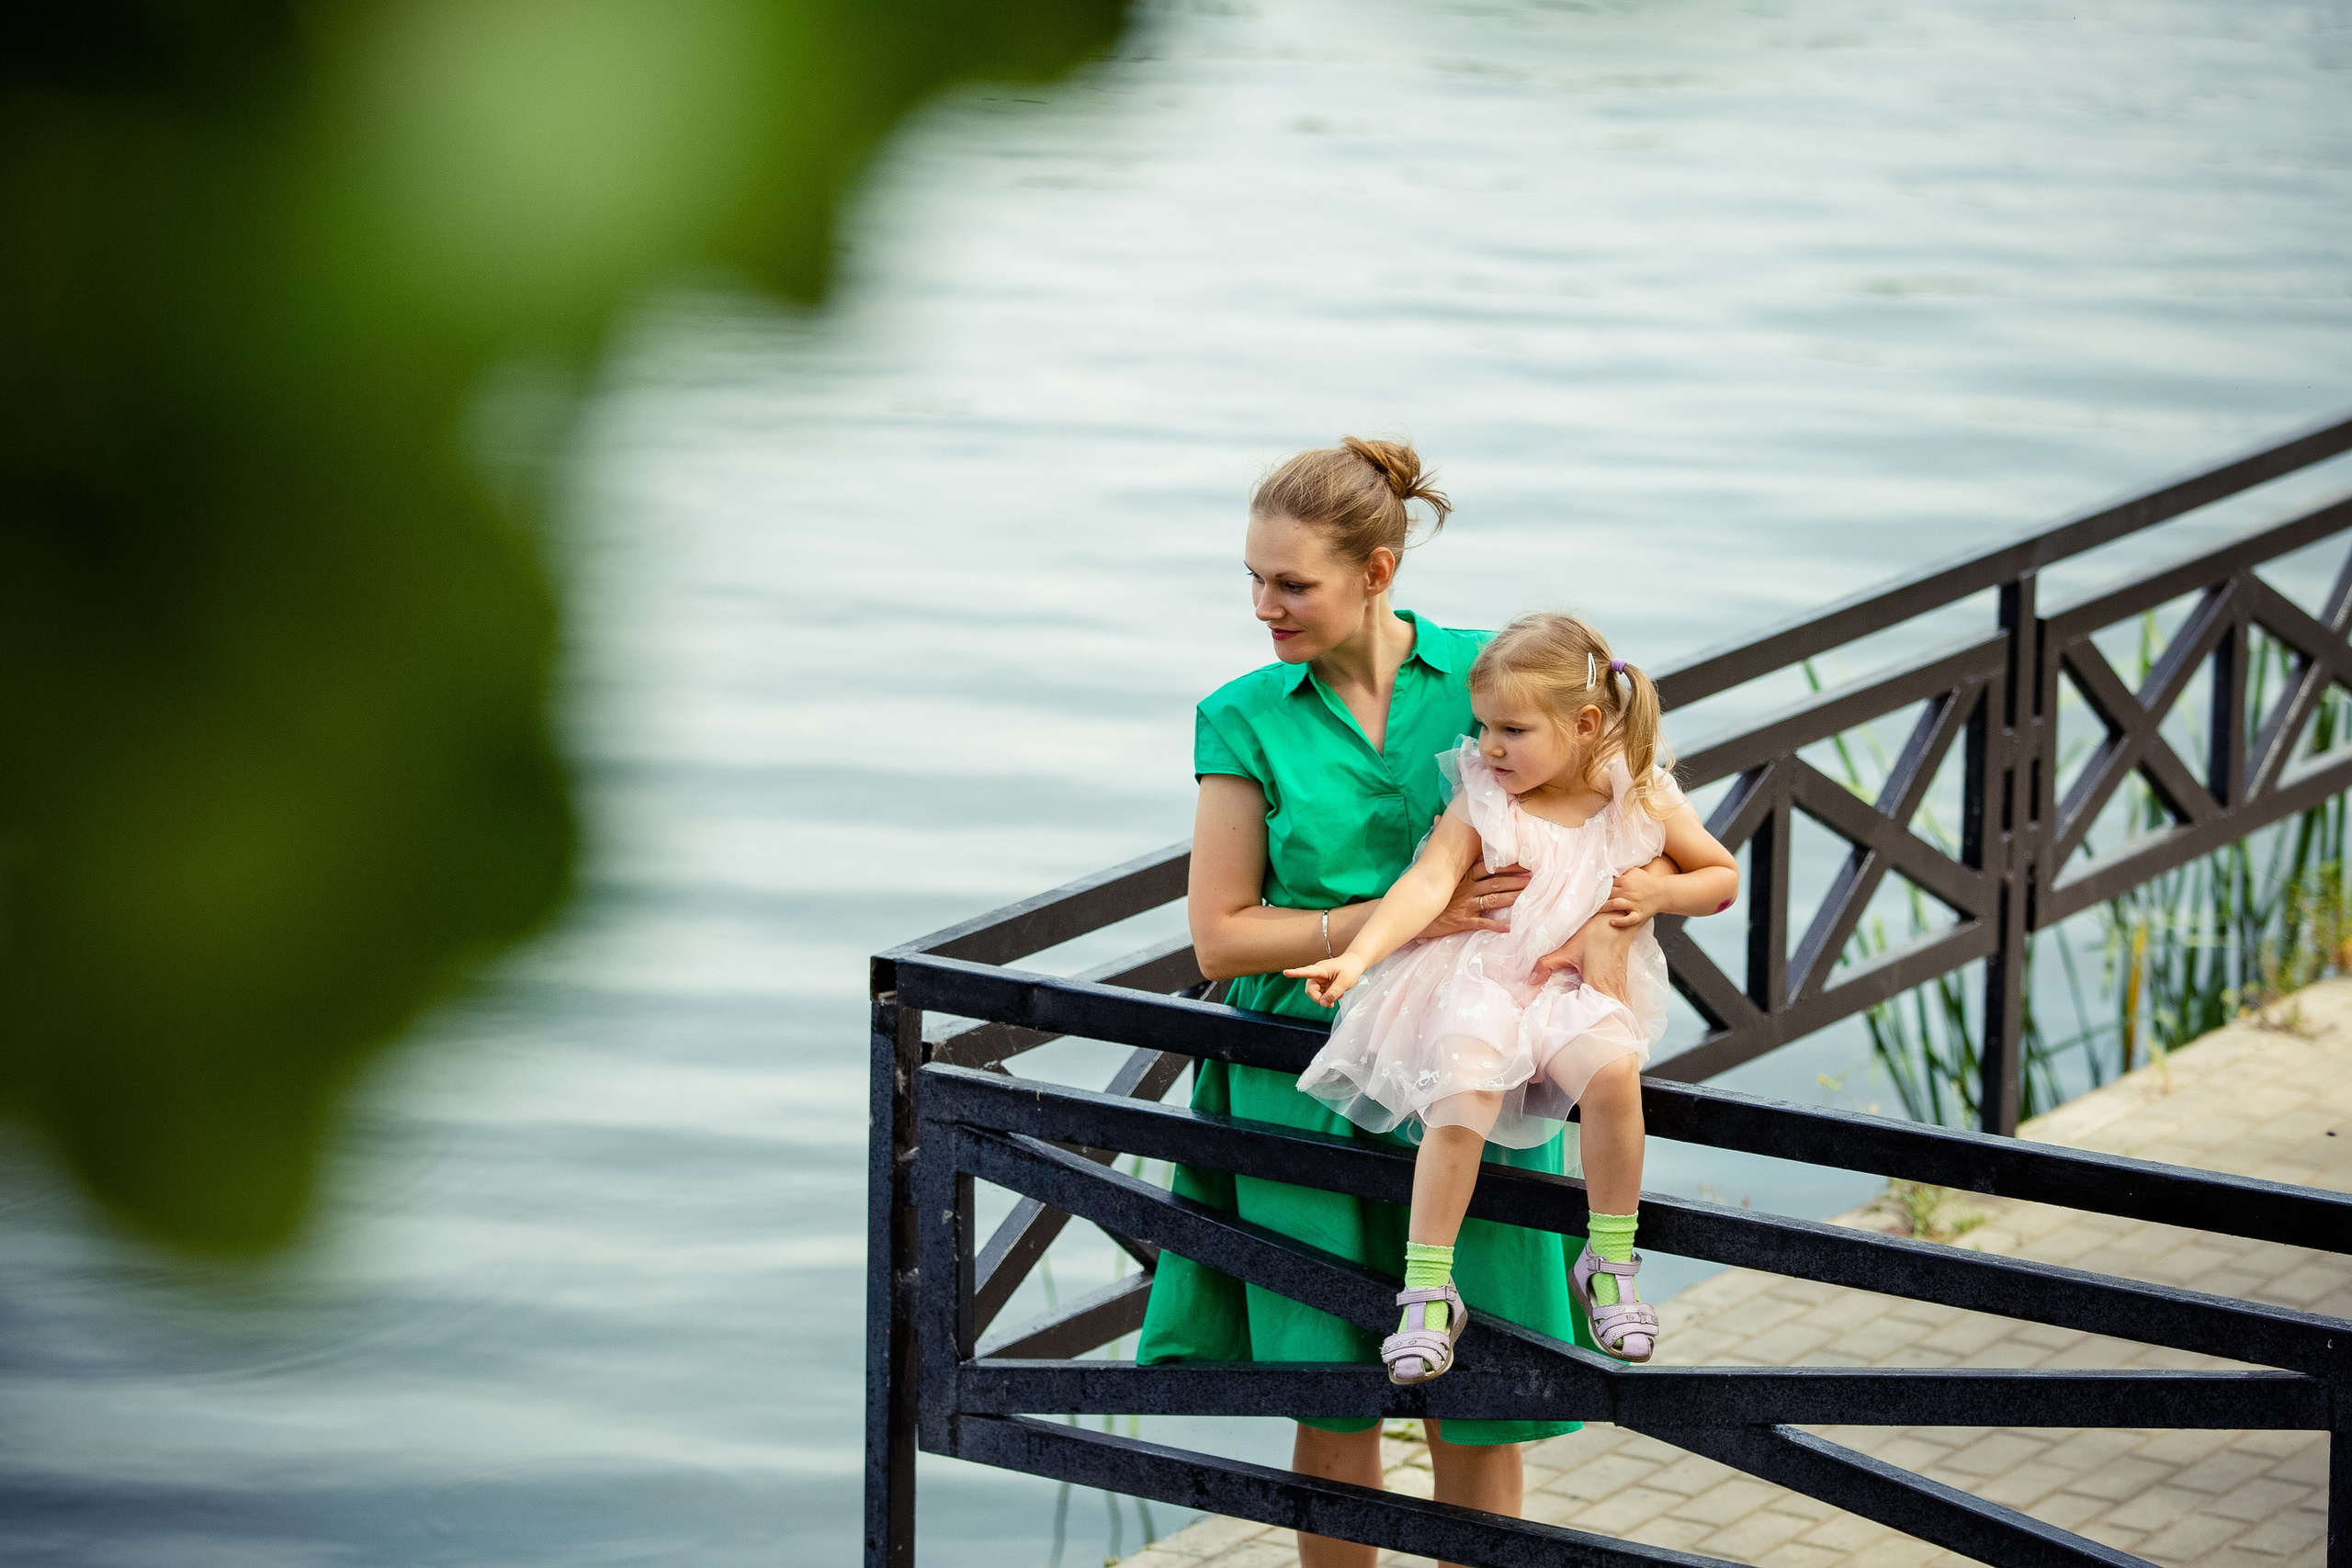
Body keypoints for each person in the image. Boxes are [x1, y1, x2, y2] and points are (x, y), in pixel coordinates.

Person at [1133, 436, 1683, 1568]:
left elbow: (1632, 822)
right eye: (1253, 579)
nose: (1262, 607)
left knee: (1481, 1398)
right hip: (1299, 1082)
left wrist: (1614, 921)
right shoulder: (1241, 715)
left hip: (1480, 1067)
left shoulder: (1502, 677)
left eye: (1291, 584)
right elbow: (1220, 936)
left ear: (1377, 572)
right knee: (1329, 1397)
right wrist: (1398, 919)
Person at [1287, 613, 1739, 1376]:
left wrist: (1657, 894)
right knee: (1461, 1096)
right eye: (1485, 726)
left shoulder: (1636, 791)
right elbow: (1429, 881)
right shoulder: (1485, 795)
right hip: (1482, 980)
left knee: (1613, 1074)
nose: (1490, 746)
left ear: (1585, 724)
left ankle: (1609, 1258)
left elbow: (1720, 876)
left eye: (1513, 730)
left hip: (1568, 984)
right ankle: (1428, 1287)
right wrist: (1358, 954)